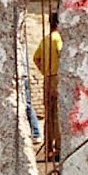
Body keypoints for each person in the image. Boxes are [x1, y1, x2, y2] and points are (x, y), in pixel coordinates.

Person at [33, 12, 63, 158]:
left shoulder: (45, 40)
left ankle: (48, 148)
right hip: (57, 78)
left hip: (47, 78)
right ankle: (58, 148)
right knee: (57, 115)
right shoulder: (58, 39)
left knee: (48, 115)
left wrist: (44, 70)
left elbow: (36, 58)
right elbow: (61, 53)